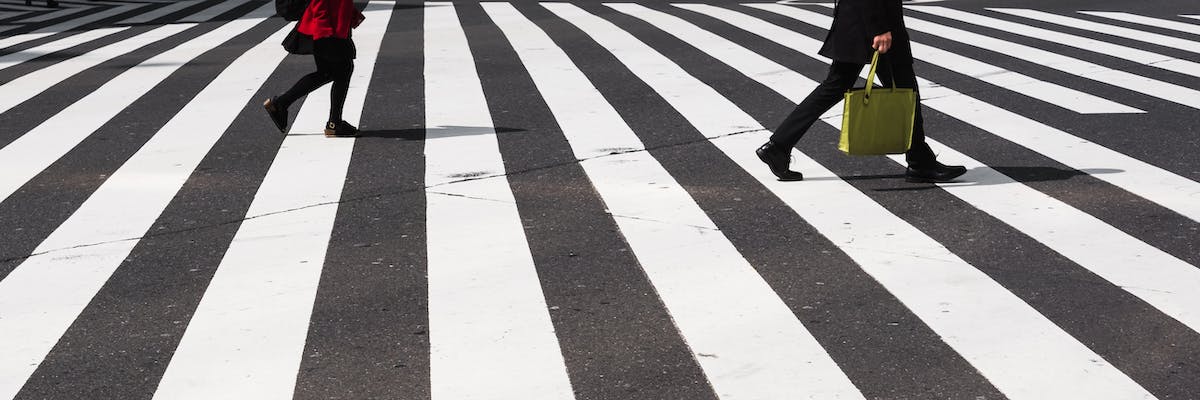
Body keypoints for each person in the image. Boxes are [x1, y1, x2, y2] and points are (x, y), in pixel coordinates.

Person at [756, 0, 966, 182]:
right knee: (905, 89)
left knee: (836, 85)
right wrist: (879, 27)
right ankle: (921, 161)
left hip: (858, 19)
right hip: (874, 21)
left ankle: (779, 146)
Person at [263, 0, 364, 137]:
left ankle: (281, 104)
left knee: (328, 72)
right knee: (343, 70)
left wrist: (350, 13)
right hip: (327, 25)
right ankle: (334, 123)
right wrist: (323, 26)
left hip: (330, 23)